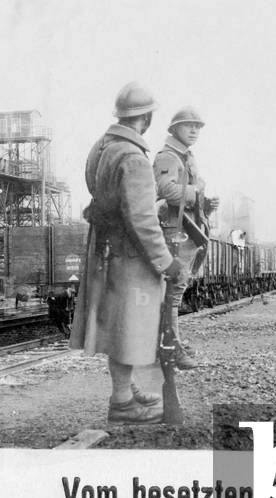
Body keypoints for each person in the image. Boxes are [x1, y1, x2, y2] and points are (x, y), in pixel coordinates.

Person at [69, 82, 188, 425]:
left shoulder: (102, 147)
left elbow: (99, 192)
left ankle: (127, 388)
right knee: (131, 329)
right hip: (131, 256)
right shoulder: (134, 159)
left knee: (119, 326)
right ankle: (122, 402)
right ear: (146, 118)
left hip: (107, 249)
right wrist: (167, 262)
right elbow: (143, 219)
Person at [153, 107, 219, 369]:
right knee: (173, 293)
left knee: (175, 292)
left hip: (187, 229)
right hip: (174, 232)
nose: (194, 130)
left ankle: (171, 343)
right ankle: (171, 349)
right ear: (174, 129)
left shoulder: (186, 156)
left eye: (197, 127)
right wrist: (197, 191)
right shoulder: (168, 157)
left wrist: (206, 202)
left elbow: (189, 195)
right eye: (188, 126)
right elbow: (167, 191)